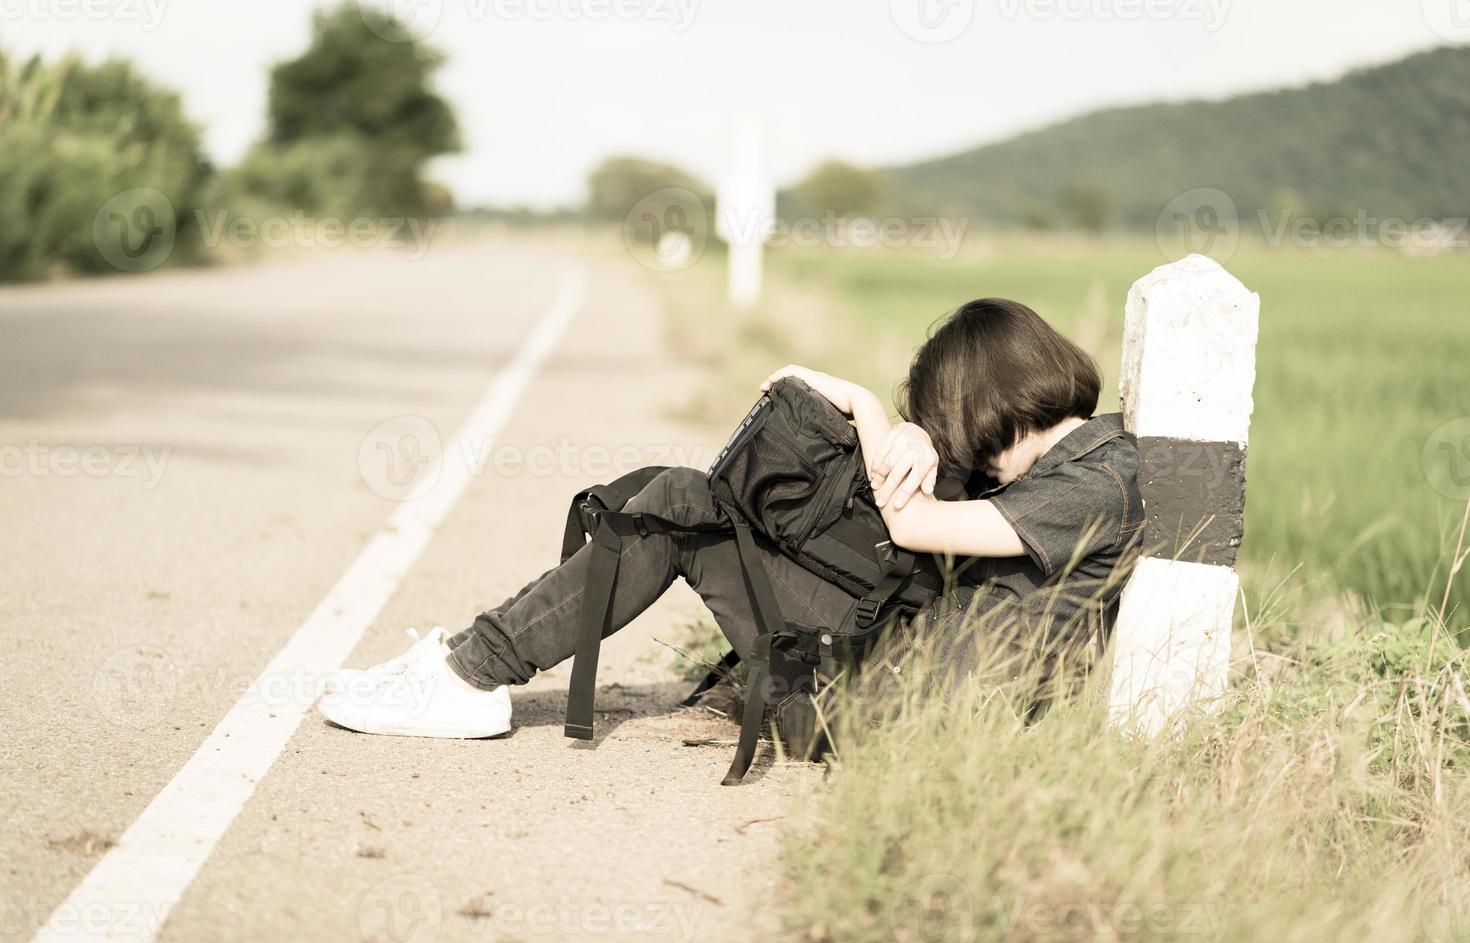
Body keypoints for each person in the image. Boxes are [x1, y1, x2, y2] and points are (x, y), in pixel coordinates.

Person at [316, 298, 1144, 739]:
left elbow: (919, 529)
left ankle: (467, 676)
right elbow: (946, 506)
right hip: (881, 675)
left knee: (681, 506)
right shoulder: (1077, 465)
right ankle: (471, 661)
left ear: (983, 398)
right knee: (685, 498)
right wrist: (924, 435)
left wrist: (862, 403)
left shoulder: (1097, 484)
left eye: (951, 413)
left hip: (876, 716)